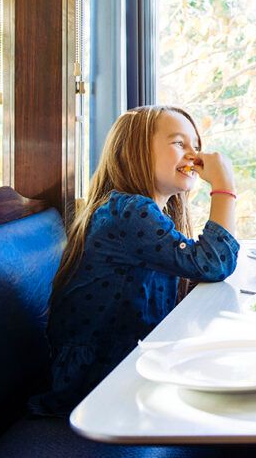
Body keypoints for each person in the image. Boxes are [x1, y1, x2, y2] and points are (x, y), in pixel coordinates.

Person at [29, 105, 240, 416]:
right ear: (134, 152)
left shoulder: (143, 212)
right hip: (99, 382)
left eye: (197, 145)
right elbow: (213, 263)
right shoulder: (128, 212)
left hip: (124, 366)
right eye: (179, 143)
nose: (195, 157)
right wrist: (225, 188)